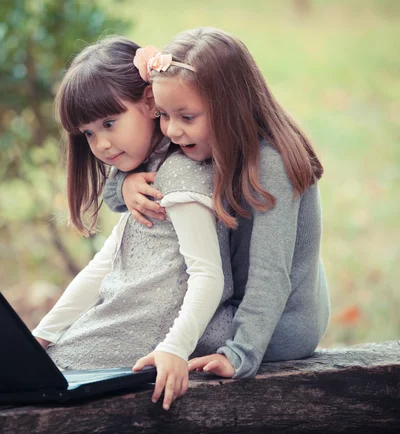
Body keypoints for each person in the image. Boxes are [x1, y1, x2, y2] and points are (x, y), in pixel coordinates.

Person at [104, 27, 331, 379]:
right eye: (163, 116)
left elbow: (271, 276)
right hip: (231, 306)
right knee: (147, 317)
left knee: (153, 326)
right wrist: (124, 186)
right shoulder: (201, 138)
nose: (172, 131)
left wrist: (239, 354)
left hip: (278, 324)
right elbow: (114, 198)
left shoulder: (272, 164)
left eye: (186, 117)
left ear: (229, 108)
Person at [31, 36, 234, 410]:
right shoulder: (146, 175)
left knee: (46, 381)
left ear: (150, 102)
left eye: (110, 123)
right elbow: (104, 266)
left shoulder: (178, 177)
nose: (102, 144)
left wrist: (174, 347)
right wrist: (41, 335)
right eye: (89, 133)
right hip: (128, 316)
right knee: (40, 365)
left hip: (152, 329)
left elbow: (208, 274)